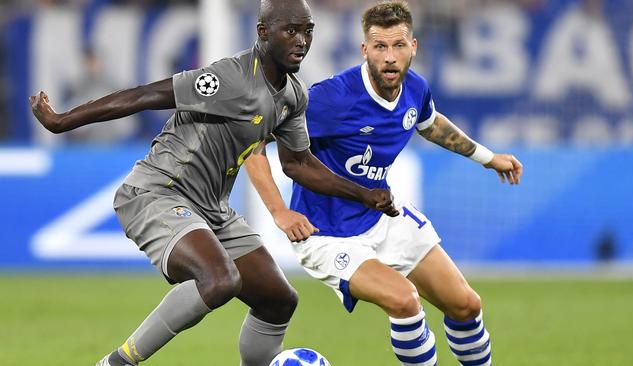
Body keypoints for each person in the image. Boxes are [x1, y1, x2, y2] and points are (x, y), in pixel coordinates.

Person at [29, 1, 399, 365]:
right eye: (291, 31)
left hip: (212, 210)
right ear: (263, 33)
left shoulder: (292, 96)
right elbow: (142, 96)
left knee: (278, 299)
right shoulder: (231, 78)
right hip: (158, 192)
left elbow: (300, 164)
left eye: (308, 31)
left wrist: (363, 194)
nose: (302, 40)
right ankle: (118, 362)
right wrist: (64, 121)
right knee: (219, 280)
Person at [244, 1, 523, 365]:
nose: (390, 57)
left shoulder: (415, 89)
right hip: (327, 233)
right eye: (380, 47)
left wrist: (487, 158)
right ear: (365, 50)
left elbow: (430, 122)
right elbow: (252, 142)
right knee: (405, 300)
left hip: (382, 219)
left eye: (398, 46)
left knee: (466, 305)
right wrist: (279, 211)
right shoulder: (331, 98)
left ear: (414, 47)